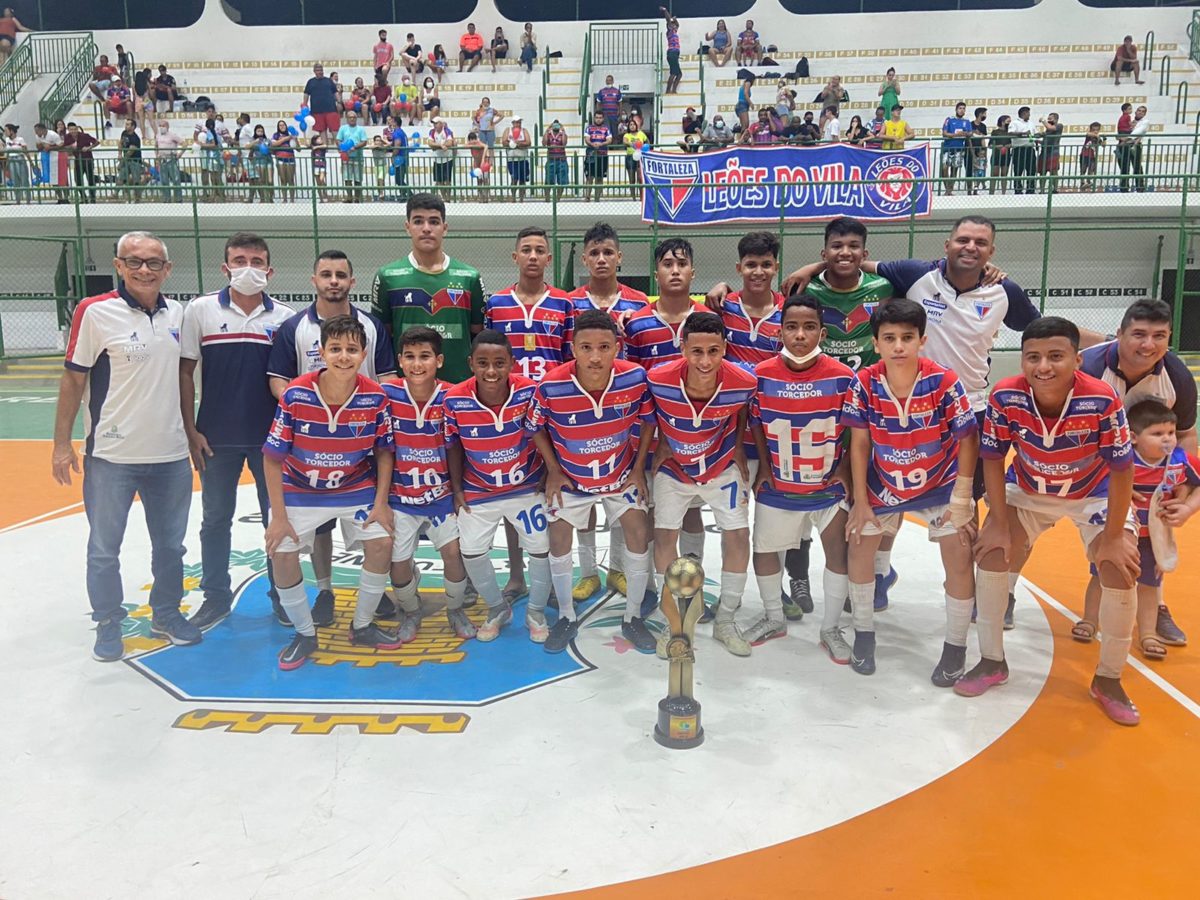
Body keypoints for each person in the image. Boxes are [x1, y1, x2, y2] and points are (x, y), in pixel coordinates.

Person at [972, 317, 1141, 726]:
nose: (1043, 366)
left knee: (1119, 568)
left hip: (1092, 493)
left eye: (1055, 356)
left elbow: (1122, 470)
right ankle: (992, 661)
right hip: (1029, 489)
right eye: (1033, 357)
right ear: (1022, 360)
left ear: (1077, 360)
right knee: (992, 554)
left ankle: (1109, 678)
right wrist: (995, 518)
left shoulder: (1102, 399)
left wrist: (1116, 536)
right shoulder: (1006, 396)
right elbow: (992, 460)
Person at [52, 232, 200, 661]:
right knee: (104, 547)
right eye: (134, 262)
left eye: (154, 263)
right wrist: (61, 444)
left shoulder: (180, 314)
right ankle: (108, 622)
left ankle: (167, 614)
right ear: (119, 266)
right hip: (112, 457)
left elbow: (185, 380)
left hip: (170, 455)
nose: (144, 270)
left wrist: (190, 436)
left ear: (167, 270)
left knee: (171, 546)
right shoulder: (94, 312)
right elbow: (73, 379)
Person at [842, 299, 979, 679]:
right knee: (859, 542)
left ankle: (955, 647)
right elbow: (860, 444)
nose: (899, 346)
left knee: (959, 550)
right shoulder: (865, 383)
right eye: (890, 338)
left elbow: (968, 439)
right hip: (885, 483)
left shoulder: (944, 381)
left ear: (923, 339)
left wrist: (963, 497)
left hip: (940, 483)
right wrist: (860, 501)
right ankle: (864, 634)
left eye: (907, 337)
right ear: (876, 343)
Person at [267, 251, 396, 628]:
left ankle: (365, 614)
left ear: (352, 281)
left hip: (357, 450)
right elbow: (278, 377)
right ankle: (322, 596)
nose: (334, 280)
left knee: (378, 535)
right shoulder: (295, 331)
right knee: (300, 538)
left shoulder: (371, 328)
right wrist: (311, 409)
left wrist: (358, 406)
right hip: (307, 456)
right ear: (314, 280)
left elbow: (387, 377)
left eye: (341, 274)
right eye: (327, 274)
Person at [180, 233, 294, 630]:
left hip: (271, 443)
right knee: (215, 520)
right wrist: (190, 428)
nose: (249, 267)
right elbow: (185, 371)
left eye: (257, 260)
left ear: (270, 269)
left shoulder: (284, 318)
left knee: (276, 521)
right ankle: (215, 597)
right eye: (240, 259)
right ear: (225, 267)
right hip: (216, 438)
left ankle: (282, 596)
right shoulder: (200, 311)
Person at [528, 310, 658, 652]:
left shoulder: (635, 378)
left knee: (638, 529)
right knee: (558, 536)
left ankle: (633, 617)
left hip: (619, 475)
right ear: (573, 348)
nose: (595, 356)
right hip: (572, 478)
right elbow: (534, 427)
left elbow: (648, 422)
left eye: (604, 347)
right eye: (586, 347)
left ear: (618, 347)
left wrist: (637, 468)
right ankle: (566, 616)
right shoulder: (552, 384)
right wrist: (553, 470)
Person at [1079, 299, 1198, 646]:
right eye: (1139, 334)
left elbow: (1187, 434)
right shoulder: (1088, 366)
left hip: (1147, 481)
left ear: (1169, 338)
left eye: (1159, 336)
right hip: (1091, 471)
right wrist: (1107, 482)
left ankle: (1155, 606)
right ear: (1119, 335)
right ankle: (1007, 591)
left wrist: (1182, 488)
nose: (1148, 345)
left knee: (1153, 543)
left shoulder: (1176, 377)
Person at [749, 294, 855, 654]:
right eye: (792, 327)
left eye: (809, 327)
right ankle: (773, 617)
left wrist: (845, 469)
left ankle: (831, 628)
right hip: (779, 482)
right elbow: (755, 424)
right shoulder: (760, 375)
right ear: (780, 332)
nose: (799, 335)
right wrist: (763, 464)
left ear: (822, 333)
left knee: (837, 554)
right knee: (763, 550)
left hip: (826, 485)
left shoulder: (843, 377)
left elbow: (856, 429)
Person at [647, 311, 757, 656]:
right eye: (697, 352)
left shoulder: (744, 381)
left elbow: (740, 409)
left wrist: (737, 444)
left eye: (714, 351)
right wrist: (662, 439)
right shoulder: (658, 378)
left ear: (725, 348)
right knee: (664, 535)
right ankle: (675, 620)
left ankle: (725, 619)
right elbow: (649, 411)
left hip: (720, 464)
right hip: (674, 467)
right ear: (682, 348)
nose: (705, 360)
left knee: (738, 533)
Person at [445, 331, 553, 642]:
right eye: (482, 363)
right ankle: (497, 608)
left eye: (499, 363)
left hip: (527, 487)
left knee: (541, 548)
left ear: (512, 364)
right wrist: (457, 490)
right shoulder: (454, 399)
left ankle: (535, 611)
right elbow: (452, 445)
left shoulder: (530, 391)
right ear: (470, 364)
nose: (491, 371)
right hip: (478, 489)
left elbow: (545, 431)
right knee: (471, 551)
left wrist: (548, 473)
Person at [1072, 399, 1200, 661]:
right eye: (1157, 434)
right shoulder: (1121, 461)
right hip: (1118, 532)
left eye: (1171, 433)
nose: (1167, 439)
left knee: (1149, 586)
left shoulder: (1180, 461)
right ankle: (1089, 619)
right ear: (1132, 438)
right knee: (1101, 577)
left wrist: (1187, 509)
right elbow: (1092, 481)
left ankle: (1148, 633)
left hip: (1153, 538)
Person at [564, 224, 651, 604]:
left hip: (623, 413)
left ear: (620, 258)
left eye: (608, 253)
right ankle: (587, 573)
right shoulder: (568, 303)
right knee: (583, 498)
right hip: (580, 413)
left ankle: (617, 568)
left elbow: (644, 357)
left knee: (620, 495)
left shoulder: (638, 302)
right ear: (585, 259)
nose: (601, 259)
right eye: (594, 253)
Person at [380, 326, 476, 640]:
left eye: (425, 357)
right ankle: (411, 610)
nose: (417, 364)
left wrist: (460, 490)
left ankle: (455, 609)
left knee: (452, 553)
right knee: (398, 563)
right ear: (399, 361)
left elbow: (459, 447)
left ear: (440, 360)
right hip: (401, 497)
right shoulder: (386, 394)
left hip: (441, 497)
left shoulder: (453, 395)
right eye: (410, 357)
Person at [625, 240, 711, 572]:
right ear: (656, 272)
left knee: (691, 508)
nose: (674, 270)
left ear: (693, 271)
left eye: (681, 264)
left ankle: (693, 578)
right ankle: (650, 580)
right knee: (648, 507)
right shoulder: (637, 324)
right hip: (649, 434)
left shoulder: (708, 319)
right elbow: (633, 385)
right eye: (667, 264)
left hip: (695, 434)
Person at [371, 192, 486, 385]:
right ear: (407, 227)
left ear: (445, 228)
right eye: (418, 221)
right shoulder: (387, 277)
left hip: (459, 386)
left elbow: (478, 333)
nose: (426, 228)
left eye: (434, 221)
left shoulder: (470, 277)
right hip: (406, 389)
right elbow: (383, 336)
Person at [940, 101, 972, 196]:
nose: (962, 110)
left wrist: (965, 133)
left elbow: (970, 133)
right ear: (956, 109)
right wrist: (955, 135)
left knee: (954, 170)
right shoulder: (949, 119)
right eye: (960, 108)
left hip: (959, 148)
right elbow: (944, 133)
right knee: (944, 168)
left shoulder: (966, 121)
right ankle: (947, 189)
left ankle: (949, 191)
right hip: (947, 147)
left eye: (963, 109)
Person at [302, 63, 340, 142]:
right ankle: (324, 151)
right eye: (318, 70)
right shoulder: (310, 82)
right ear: (314, 71)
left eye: (321, 70)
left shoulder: (329, 81)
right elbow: (306, 94)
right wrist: (304, 105)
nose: (320, 72)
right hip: (317, 111)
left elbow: (335, 93)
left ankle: (341, 150)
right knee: (322, 131)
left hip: (331, 110)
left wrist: (340, 102)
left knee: (335, 131)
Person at [336, 110, 368, 203]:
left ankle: (357, 198)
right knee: (347, 177)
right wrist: (342, 147)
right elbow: (338, 139)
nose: (352, 119)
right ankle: (349, 197)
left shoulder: (361, 129)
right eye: (350, 117)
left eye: (354, 117)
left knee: (358, 178)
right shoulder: (343, 128)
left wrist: (354, 147)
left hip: (358, 156)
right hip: (346, 157)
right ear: (347, 119)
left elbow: (364, 141)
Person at [64, 122, 99, 203]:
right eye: (71, 130)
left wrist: (89, 147)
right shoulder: (67, 137)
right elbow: (65, 147)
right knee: (78, 180)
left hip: (88, 160)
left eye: (75, 129)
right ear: (68, 130)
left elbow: (96, 142)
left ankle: (93, 198)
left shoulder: (84, 135)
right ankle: (83, 197)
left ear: (77, 129)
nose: (73, 131)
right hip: (77, 160)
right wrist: (71, 146)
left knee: (90, 179)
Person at [1117, 104, 1148, 193]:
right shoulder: (1127, 120)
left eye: (1143, 111)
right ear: (1136, 111)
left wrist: (1125, 138)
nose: (1140, 112)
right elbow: (1119, 135)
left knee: (1137, 167)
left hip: (1135, 146)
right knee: (1124, 167)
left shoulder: (1144, 122)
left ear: (1145, 114)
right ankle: (1124, 188)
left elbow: (1138, 135)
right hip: (1125, 146)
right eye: (1139, 110)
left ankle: (1140, 187)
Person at [33, 121, 66, 203]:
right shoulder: (38, 136)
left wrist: (50, 147)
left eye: (37, 131)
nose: (36, 133)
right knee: (52, 180)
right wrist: (42, 145)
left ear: (42, 129)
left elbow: (61, 145)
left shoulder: (53, 135)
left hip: (55, 158)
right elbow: (38, 147)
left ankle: (65, 197)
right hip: (46, 158)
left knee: (59, 179)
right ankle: (60, 197)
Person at [502, 115, 532, 201]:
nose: (518, 124)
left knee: (522, 180)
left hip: (523, 159)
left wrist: (518, 144)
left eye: (519, 122)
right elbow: (504, 142)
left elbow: (528, 142)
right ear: (513, 123)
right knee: (514, 178)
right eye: (516, 122)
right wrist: (512, 144)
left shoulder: (524, 130)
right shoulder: (508, 130)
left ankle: (521, 198)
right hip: (512, 159)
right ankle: (513, 197)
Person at [584, 111, 612, 201]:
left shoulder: (606, 129)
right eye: (597, 117)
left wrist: (601, 144)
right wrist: (593, 144)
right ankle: (587, 197)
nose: (598, 119)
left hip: (602, 156)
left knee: (599, 178)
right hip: (591, 155)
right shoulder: (589, 128)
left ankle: (597, 198)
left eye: (600, 117)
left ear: (603, 118)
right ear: (594, 118)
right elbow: (587, 139)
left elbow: (609, 140)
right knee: (589, 177)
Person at [155, 118, 185, 202]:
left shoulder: (172, 135)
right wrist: (157, 156)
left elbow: (184, 144)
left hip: (171, 159)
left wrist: (180, 154)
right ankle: (166, 199)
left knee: (175, 179)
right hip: (162, 159)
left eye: (163, 126)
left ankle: (178, 199)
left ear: (167, 126)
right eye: (160, 126)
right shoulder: (158, 135)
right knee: (164, 180)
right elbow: (156, 146)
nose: (161, 127)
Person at [1008, 105, 1036, 195]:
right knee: (1018, 170)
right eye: (1028, 113)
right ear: (1024, 113)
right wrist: (1022, 133)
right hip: (1019, 149)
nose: (1029, 115)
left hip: (1030, 148)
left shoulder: (1031, 123)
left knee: (1031, 170)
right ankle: (1018, 189)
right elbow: (1010, 134)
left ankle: (1031, 189)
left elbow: (1034, 134)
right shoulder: (1014, 123)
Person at [116, 118, 143, 202]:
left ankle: (137, 197)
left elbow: (130, 152)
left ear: (133, 127)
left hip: (135, 161)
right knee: (121, 177)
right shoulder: (124, 133)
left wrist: (122, 162)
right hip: (126, 160)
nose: (126, 126)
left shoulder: (135, 138)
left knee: (136, 181)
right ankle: (115, 193)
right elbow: (120, 143)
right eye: (126, 124)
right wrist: (120, 154)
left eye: (128, 124)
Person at [1036, 112, 1063, 194]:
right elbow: (1045, 140)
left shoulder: (1059, 126)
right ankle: (1042, 189)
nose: (1049, 120)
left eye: (1051, 118)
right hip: (1044, 152)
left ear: (1056, 119)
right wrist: (1038, 140)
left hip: (1053, 152)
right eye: (1048, 118)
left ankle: (1055, 188)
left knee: (1053, 171)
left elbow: (1051, 128)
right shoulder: (1047, 129)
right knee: (1042, 172)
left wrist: (1043, 120)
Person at [427, 116, 455, 197]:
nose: (435, 125)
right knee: (439, 181)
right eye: (434, 124)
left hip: (447, 159)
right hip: (437, 159)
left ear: (441, 124)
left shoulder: (447, 131)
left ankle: (448, 197)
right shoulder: (432, 132)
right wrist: (441, 145)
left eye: (436, 123)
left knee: (447, 180)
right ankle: (444, 197)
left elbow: (450, 143)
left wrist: (436, 147)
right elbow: (430, 143)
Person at [622, 119, 648, 200]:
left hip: (640, 156)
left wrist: (644, 147)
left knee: (640, 178)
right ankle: (633, 197)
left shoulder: (641, 133)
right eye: (630, 125)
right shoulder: (627, 135)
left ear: (636, 126)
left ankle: (641, 197)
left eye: (634, 124)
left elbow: (647, 142)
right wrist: (632, 144)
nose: (632, 126)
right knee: (632, 178)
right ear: (628, 127)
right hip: (630, 157)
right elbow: (625, 142)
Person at [270, 119, 297, 194]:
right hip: (280, 159)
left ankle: (292, 199)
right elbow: (273, 144)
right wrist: (285, 139)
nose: (282, 126)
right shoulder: (276, 135)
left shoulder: (290, 134)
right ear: (278, 127)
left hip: (290, 159)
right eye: (280, 125)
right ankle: (284, 199)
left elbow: (298, 149)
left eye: (283, 125)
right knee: (282, 179)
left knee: (291, 179)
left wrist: (295, 139)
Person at [661, 7, 682, 94]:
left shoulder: (675, 31)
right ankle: (668, 90)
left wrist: (675, 19)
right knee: (673, 73)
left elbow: (677, 24)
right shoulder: (670, 32)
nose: (674, 25)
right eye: (672, 25)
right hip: (672, 53)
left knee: (679, 74)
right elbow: (668, 20)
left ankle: (673, 90)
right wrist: (665, 11)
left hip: (675, 54)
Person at [967, 107, 988, 195]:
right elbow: (969, 139)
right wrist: (972, 153)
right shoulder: (970, 124)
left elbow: (983, 139)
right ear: (980, 114)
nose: (985, 115)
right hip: (970, 150)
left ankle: (976, 189)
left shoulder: (983, 126)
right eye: (984, 114)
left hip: (980, 151)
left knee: (979, 170)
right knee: (969, 170)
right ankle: (969, 190)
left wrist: (985, 153)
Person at [989, 114, 1011, 194]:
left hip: (1006, 155)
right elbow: (990, 145)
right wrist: (998, 146)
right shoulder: (995, 132)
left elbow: (1013, 143)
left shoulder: (1010, 132)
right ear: (1002, 122)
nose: (1009, 123)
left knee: (1004, 174)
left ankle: (1003, 193)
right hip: (996, 155)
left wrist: (1009, 146)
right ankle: (991, 193)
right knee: (994, 174)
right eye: (1008, 121)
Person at [1079, 120, 1104, 192]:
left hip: (1093, 156)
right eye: (1093, 130)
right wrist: (1095, 135)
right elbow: (1088, 134)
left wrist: (1104, 139)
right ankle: (1082, 183)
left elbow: (1103, 145)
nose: (1095, 131)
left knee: (1091, 170)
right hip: (1084, 154)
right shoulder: (1089, 135)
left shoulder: (1098, 137)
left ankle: (1088, 182)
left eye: (1097, 130)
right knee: (1083, 170)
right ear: (1090, 129)